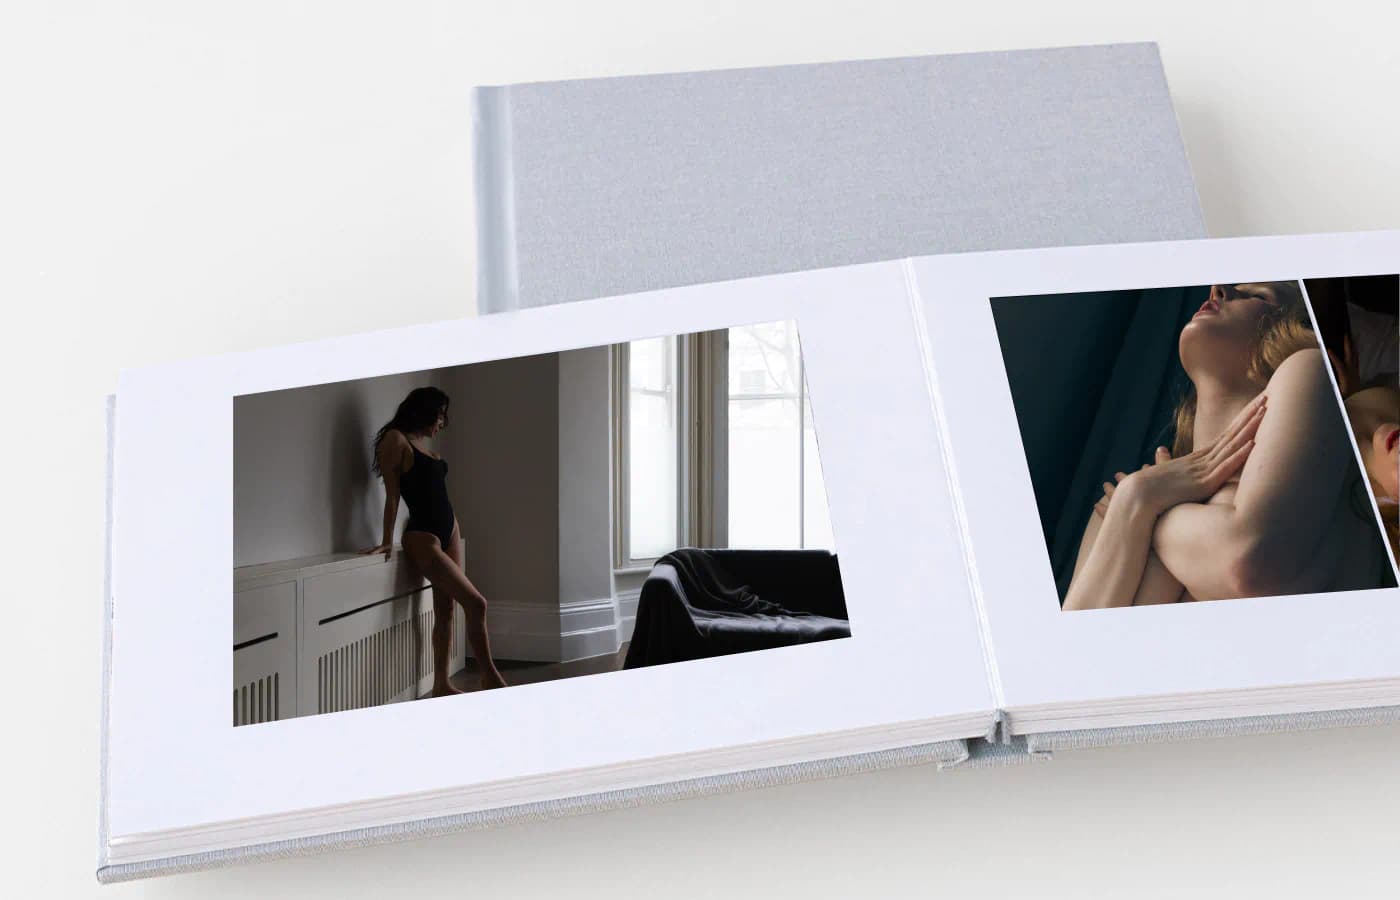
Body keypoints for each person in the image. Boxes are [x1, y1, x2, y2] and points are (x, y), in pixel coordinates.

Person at [1065, 282, 1390, 610]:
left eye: (1256, 294)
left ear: (1295, 331)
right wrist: (1139, 497)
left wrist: (1144, 506)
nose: (1217, 289)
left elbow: (1248, 564)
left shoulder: (1312, 370)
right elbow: (1070, 652)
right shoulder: (1126, 497)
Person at [361, 387, 508, 693]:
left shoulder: (422, 446)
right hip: (423, 536)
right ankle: (490, 677)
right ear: (425, 410)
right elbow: (392, 495)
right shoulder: (396, 440)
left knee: (447, 610)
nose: (442, 423)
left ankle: (441, 684)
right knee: (477, 603)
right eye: (440, 415)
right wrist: (387, 539)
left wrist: (454, 527)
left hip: (450, 530)